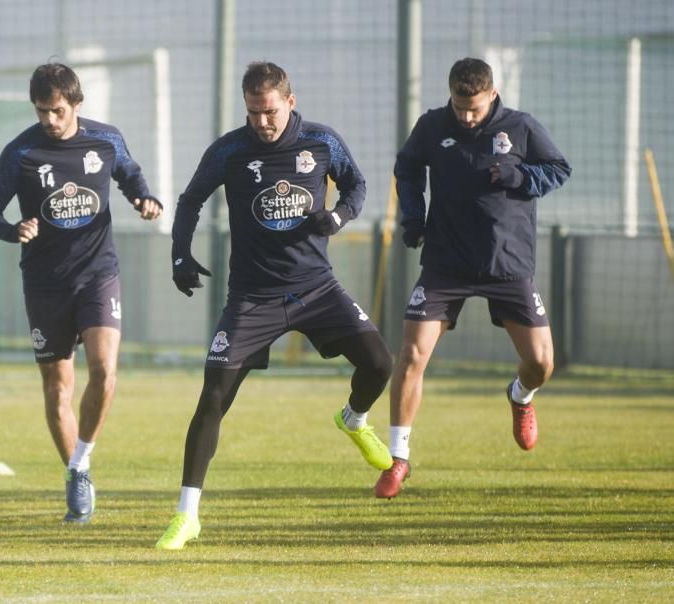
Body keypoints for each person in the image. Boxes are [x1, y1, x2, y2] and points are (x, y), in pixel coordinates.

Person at [155, 61, 394, 550]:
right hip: (252, 297)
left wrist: (339, 217)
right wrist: (181, 254)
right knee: (214, 397)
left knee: (380, 363)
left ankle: (353, 418)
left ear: (290, 100)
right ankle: (187, 516)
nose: (261, 122)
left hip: (317, 288)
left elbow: (358, 186)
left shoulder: (322, 143)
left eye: (269, 111)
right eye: (252, 112)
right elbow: (189, 200)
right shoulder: (230, 149)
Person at [376, 57, 571, 499]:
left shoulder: (521, 127)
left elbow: (559, 168)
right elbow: (407, 169)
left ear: (492, 94)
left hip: (508, 263)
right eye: (460, 107)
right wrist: (412, 216)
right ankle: (398, 459)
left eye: (475, 109)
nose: (466, 117)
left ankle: (520, 396)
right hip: (445, 262)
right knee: (410, 354)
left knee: (542, 363)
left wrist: (519, 174)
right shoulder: (431, 125)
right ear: (451, 93)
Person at [0, 63, 162, 524]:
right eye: (42, 112)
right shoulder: (20, 152)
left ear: (75, 104)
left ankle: (82, 459)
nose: (50, 121)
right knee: (58, 386)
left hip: (98, 273)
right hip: (44, 283)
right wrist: (12, 229)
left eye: (57, 111)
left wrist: (145, 199)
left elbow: (131, 175)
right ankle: (76, 472)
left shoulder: (105, 139)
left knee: (104, 370)